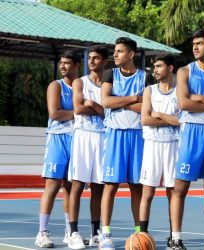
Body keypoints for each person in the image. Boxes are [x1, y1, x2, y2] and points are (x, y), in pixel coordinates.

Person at [170, 28, 204, 250]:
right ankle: (175, 238)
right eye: (194, 43)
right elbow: (183, 104)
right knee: (180, 188)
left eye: (200, 43)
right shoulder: (185, 71)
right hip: (191, 132)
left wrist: (199, 98)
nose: (194, 47)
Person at [99, 37, 146, 250]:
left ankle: (140, 233)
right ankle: (105, 234)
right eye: (114, 51)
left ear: (131, 54)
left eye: (119, 51)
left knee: (138, 187)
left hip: (138, 136)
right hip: (115, 134)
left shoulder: (146, 77)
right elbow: (106, 101)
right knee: (111, 185)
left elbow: (147, 107)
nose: (115, 55)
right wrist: (133, 99)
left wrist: (121, 102)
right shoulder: (110, 74)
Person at [35, 51, 80, 248]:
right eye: (61, 63)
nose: (62, 66)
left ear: (77, 65)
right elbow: (55, 113)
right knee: (52, 186)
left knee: (71, 187)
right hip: (58, 139)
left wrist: (72, 114)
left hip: (78, 139)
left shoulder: (82, 86)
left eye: (67, 63)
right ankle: (42, 233)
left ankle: (69, 231)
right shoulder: (56, 86)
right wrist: (80, 112)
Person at [67, 45, 109, 249]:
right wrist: (98, 108)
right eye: (90, 58)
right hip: (83, 136)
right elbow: (78, 109)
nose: (91, 61)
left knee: (98, 188)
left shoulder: (109, 84)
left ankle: (95, 232)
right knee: (77, 184)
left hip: (103, 137)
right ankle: (73, 232)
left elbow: (108, 112)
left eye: (96, 58)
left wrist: (92, 103)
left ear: (104, 61)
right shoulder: (79, 82)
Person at [139, 54, 179, 236]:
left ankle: (174, 237)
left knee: (173, 192)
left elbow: (180, 121)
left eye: (159, 66)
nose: (155, 70)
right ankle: (143, 233)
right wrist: (167, 118)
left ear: (170, 68)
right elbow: (146, 119)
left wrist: (159, 115)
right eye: (154, 66)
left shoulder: (180, 91)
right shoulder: (150, 91)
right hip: (152, 145)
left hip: (173, 144)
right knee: (147, 192)